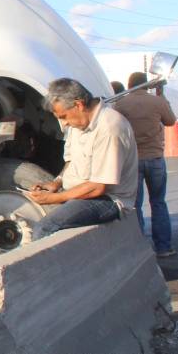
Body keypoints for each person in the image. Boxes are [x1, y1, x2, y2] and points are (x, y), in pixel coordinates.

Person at [28, 78, 139, 237]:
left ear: (79, 105)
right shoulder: (79, 123)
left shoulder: (109, 127)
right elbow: (71, 161)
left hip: (108, 200)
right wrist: (56, 182)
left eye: (64, 116)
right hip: (81, 193)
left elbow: (98, 187)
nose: (64, 123)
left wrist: (54, 198)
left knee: (44, 229)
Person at [112, 71, 178, 257]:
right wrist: (161, 95)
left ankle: (140, 247)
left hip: (133, 161)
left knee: (135, 205)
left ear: (130, 84)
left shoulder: (121, 104)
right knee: (158, 203)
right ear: (147, 84)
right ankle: (164, 247)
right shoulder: (157, 102)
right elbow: (171, 121)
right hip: (155, 158)